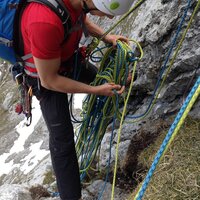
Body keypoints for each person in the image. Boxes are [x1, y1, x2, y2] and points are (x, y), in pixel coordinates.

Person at [20, 0, 135, 199]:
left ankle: (119, 103)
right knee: (62, 140)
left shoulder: (78, 2)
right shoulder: (43, 21)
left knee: (105, 80)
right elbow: (50, 80)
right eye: (107, 13)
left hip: (67, 59)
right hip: (44, 77)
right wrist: (95, 90)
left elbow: (79, 17)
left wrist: (107, 37)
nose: (109, 18)